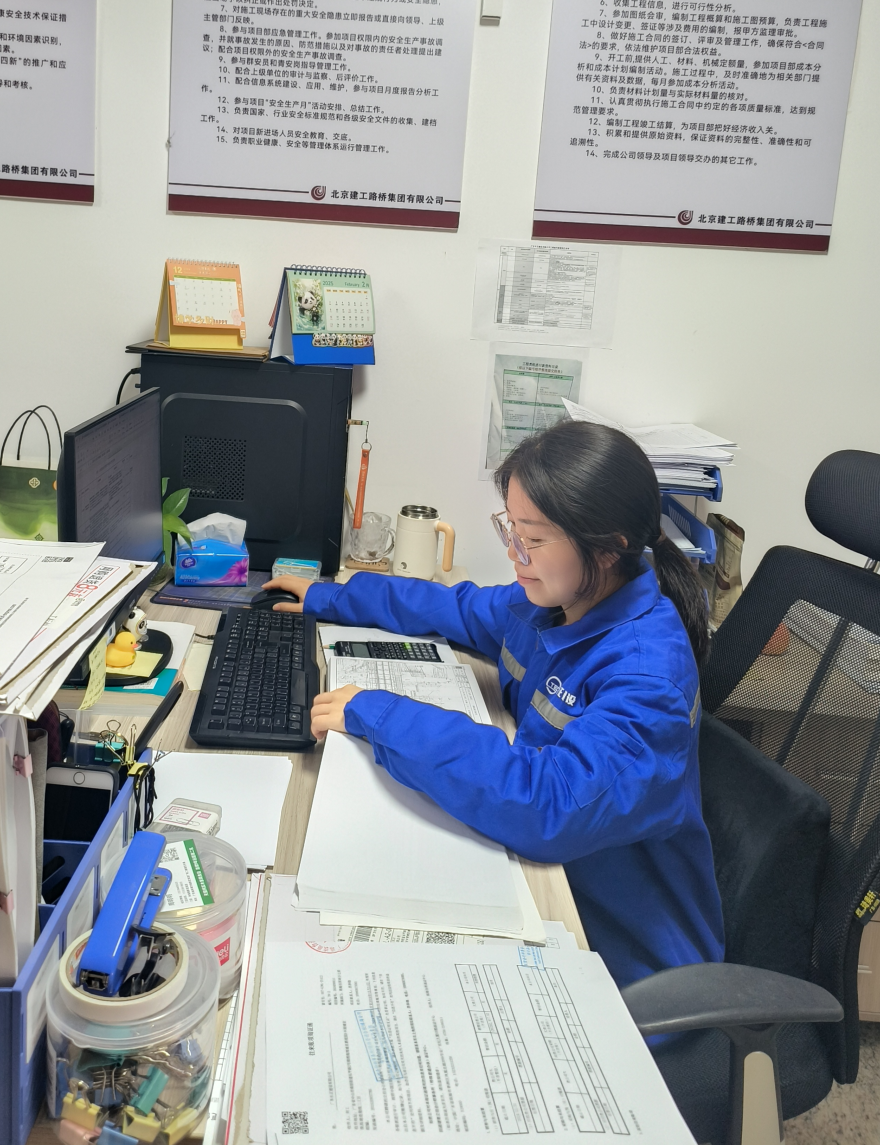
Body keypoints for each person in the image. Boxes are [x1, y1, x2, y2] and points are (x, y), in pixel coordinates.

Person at [266, 419, 725, 993]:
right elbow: (456, 608)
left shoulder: (647, 677)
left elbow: (548, 801)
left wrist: (382, 715)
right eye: (511, 528)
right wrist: (331, 596)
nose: (513, 554)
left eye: (533, 539)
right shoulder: (554, 601)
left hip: (621, 957)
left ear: (610, 548)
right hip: (545, 883)